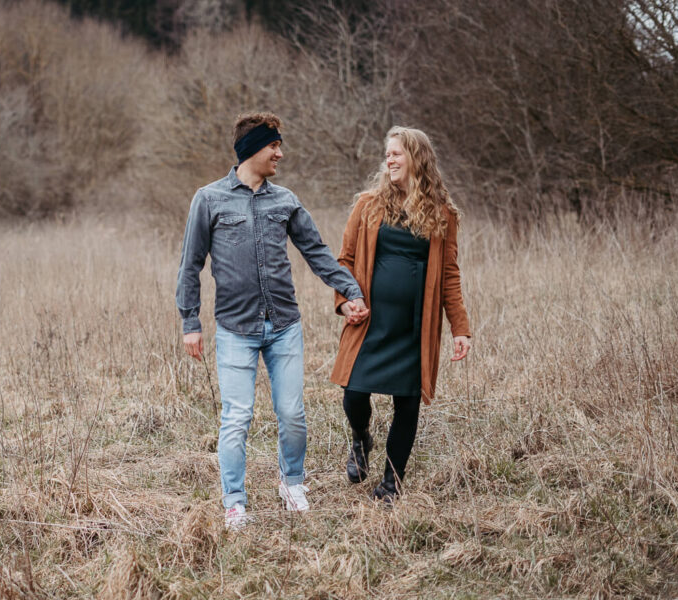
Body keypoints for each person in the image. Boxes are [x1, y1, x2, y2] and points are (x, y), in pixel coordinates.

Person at [176, 112, 368, 530]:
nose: (280, 153)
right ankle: (234, 502)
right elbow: (190, 265)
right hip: (234, 330)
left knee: (293, 413)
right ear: (251, 150)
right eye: (273, 146)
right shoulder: (208, 199)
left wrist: (351, 291)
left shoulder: (286, 200)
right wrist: (190, 322)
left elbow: (317, 253)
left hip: (284, 326)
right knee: (236, 417)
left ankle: (292, 482)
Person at [330, 126, 471, 503]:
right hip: (370, 321)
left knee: (407, 404)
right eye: (387, 154)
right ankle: (361, 438)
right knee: (354, 393)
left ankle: (392, 483)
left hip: (414, 325)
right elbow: (343, 261)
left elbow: (449, 275)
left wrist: (460, 328)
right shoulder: (368, 204)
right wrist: (345, 301)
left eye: (396, 153)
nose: (388, 160)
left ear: (416, 158)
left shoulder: (442, 214)